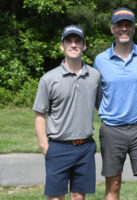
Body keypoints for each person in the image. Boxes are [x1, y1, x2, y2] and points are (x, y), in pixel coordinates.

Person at [93, 7, 137, 200]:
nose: (124, 29)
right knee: (112, 188)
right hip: (112, 130)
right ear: (112, 29)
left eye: (128, 25)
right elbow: (99, 95)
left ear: (134, 28)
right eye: (119, 25)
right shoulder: (101, 60)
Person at [33, 25, 101, 200]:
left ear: (84, 46)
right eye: (68, 41)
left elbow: (101, 107)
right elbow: (40, 115)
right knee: (55, 197)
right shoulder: (49, 79)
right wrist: (45, 146)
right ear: (61, 46)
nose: (73, 45)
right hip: (58, 146)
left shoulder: (94, 76)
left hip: (85, 146)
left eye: (77, 41)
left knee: (78, 196)